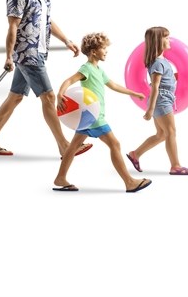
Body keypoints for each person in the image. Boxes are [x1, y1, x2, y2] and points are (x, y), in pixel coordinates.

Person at [0, 0, 92, 158]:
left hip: (38, 53)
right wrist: (8, 56)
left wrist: (66, 40)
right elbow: (12, 26)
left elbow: (47, 22)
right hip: (26, 54)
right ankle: (64, 146)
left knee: (15, 98)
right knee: (49, 96)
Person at [53, 32, 152, 193]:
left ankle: (60, 178)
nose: (106, 51)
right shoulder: (87, 68)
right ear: (93, 51)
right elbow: (70, 80)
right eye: (104, 48)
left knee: (72, 147)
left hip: (86, 116)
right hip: (93, 117)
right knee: (115, 144)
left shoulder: (99, 70)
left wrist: (133, 93)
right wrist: (60, 93)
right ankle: (129, 182)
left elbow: (113, 85)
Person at [126, 27, 188, 175]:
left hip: (163, 98)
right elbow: (155, 87)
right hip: (161, 100)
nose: (169, 40)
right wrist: (149, 110)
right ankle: (175, 166)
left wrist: (173, 77)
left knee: (161, 134)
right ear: (158, 41)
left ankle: (135, 154)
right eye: (166, 37)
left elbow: (163, 81)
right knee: (171, 132)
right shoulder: (157, 63)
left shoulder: (161, 61)